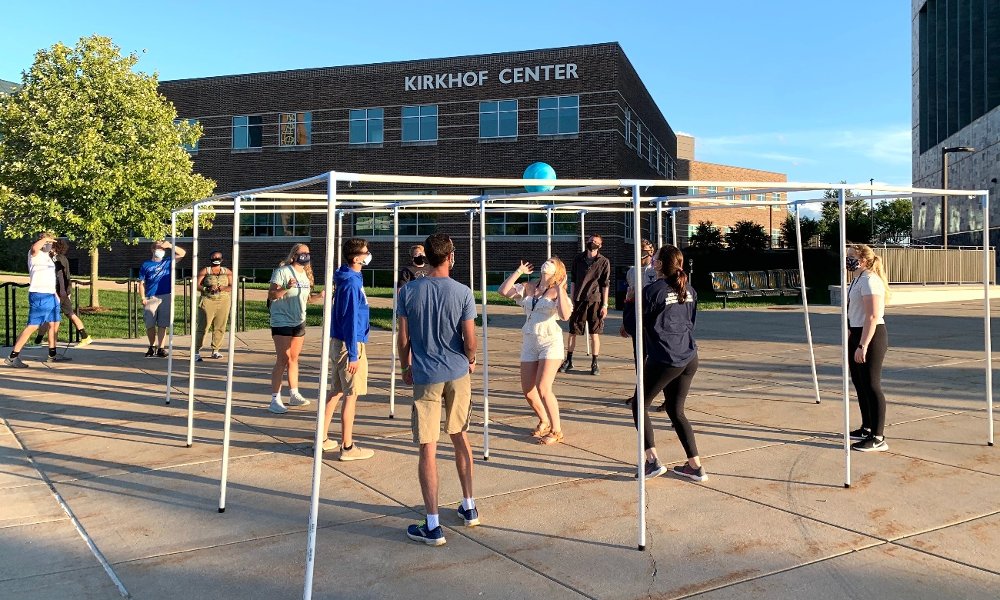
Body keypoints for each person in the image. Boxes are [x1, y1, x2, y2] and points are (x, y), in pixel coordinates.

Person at [397, 233, 479, 546]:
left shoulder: (408, 292)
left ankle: (432, 524)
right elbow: (469, 339)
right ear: (450, 257)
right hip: (457, 373)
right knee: (460, 437)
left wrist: (405, 366)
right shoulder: (463, 292)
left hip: (426, 374)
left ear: (426, 257)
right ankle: (469, 506)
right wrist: (470, 359)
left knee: (428, 446)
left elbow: (403, 338)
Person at [633, 245, 706, 482]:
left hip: (667, 358)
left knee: (639, 405)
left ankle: (652, 461)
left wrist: (629, 303)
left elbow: (637, 322)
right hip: (688, 356)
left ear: (659, 264)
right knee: (676, 411)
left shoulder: (653, 290)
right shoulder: (690, 290)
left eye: (654, 259)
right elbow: (690, 322)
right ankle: (695, 466)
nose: (651, 261)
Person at [498, 257, 573, 445]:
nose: (547, 263)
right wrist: (519, 272)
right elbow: (503, 291)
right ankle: (544, 420)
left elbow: (565, 316)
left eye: (552, 262)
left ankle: (557, 430)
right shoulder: (529, 286)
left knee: (543, 387)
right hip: (530, 341)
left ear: (558, 271)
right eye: (547, 261)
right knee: (528, 391)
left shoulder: (557, 291)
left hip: (550, 342)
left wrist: (562, 289)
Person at [319, 237, 375, 461]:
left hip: (340, 341)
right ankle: (348, 447)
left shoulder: (350, 277)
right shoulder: (351, 282)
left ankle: (322, 437)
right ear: (355, 258)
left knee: (337, 391)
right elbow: (351, 319)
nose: (368, 254)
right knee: (351, 395)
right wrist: (354, 354)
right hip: (349, 343)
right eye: (365, 251)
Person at [846, 244, 891, 452]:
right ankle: (867, 427)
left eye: (851, 257)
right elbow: (853, 311)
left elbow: (872, 316)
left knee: (872, 385)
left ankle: (878, 437)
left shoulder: (870, 281)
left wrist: (863, 344)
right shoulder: (856, 280)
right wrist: (851, 335)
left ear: (863, 260)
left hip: (871, 337)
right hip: (856, 333)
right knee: (860, 382)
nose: (847, 260)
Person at [266, 243, 318, 414]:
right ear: (294, 254)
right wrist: (286, 287)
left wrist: (320, 296)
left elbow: (307, 299)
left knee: (293, 359)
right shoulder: (282, 271)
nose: (305, 255)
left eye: (308, 253)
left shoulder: (306, 275)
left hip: (299, 320)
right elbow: (272, 294)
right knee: (283, 358)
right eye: (302, 252)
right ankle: (275, 398)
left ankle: (294, 394)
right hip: (281, 320)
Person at [6, 233, 65, 367]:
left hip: (50, 295)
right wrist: (44, 239)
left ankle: (52, 354)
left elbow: (49, 277)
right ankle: (12, 357)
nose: (48, 245)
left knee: (54, 323)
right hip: (39, 295)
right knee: (33, 326)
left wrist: (55, 293)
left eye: (50, 243)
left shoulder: (48, 257)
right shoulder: (35, 253)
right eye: (46, 242)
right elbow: (34, 248)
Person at [560, 233, 611, 375]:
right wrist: (571, 299)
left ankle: (595, 363)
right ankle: (569, 360)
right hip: (579, 300)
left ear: (600, 245)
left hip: (595, 301)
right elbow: (573, 280)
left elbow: (605, 284)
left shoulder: (604, 261)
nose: (591, 243)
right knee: (573, 331)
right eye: (590, 241)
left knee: (595, 333)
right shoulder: (578, 258)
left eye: (595, 242)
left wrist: (605, 305)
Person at [34, 239, 93, 347]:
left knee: (48, 315)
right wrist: (66, 291)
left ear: (55, 247)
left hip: (59, 290)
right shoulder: (63, 258)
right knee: (70, 314)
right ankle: (85, 337)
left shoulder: (55, 259)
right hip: (65, 289)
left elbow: (60, 274)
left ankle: (38, 341)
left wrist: (62, 290)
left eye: (50, 246)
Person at [619, 239, 658, 405]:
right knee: (639, 358)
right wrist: (625, 322)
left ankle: (665, 396)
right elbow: (629, 296)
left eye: (645, 250)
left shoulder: (656, 271)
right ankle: (639, 394)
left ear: (651, 251)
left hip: (654, 321)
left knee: (658, 360)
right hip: (637, 320)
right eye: (639, 249)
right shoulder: (632, 271)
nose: (641, 253)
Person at [138, 240, 186, 358]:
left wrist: (170, 245)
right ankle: (151, 346)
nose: (161, 251)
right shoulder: (146, 265)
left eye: (163, 249)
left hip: (166, 295)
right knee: (150, 323)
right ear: (153, 250)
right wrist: (143, 297)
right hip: (151, 296)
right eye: (159, 248)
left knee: (162, 324)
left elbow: (182, 253)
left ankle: (161, 348)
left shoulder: (168, 262)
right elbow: (141, 283)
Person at [194, 251, 232, 361]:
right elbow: (197, 285)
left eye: (218, 257)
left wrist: (222, 288)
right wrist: (207, 288)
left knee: (220, 326)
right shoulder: (206, 270)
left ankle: (216, 350)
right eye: (214, 257)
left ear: (222, 259)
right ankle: (196, 350)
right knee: (203, 326)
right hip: (208, 300)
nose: (216, 259)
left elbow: (232, 286)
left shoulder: (227, 271)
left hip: (223, 301)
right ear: (210, 259)